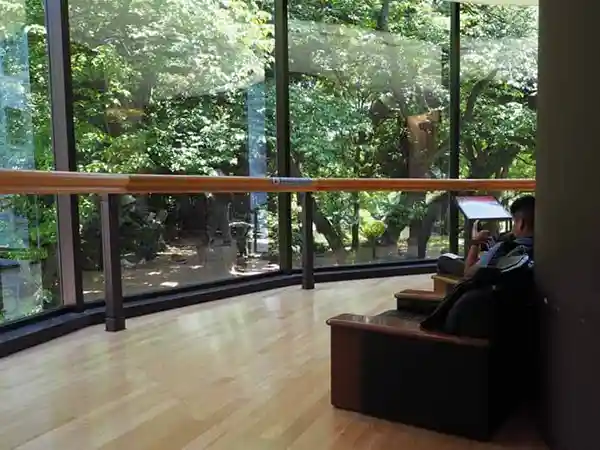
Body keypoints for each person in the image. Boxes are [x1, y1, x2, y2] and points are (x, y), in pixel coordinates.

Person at [437, 195, 535, 278]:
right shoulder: (544, 247)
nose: (512, 228)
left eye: (514, 223)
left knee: (444, 259)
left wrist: (476, 242)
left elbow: (468, 274)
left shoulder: (503, 248)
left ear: (521, 223)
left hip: (487, 284)